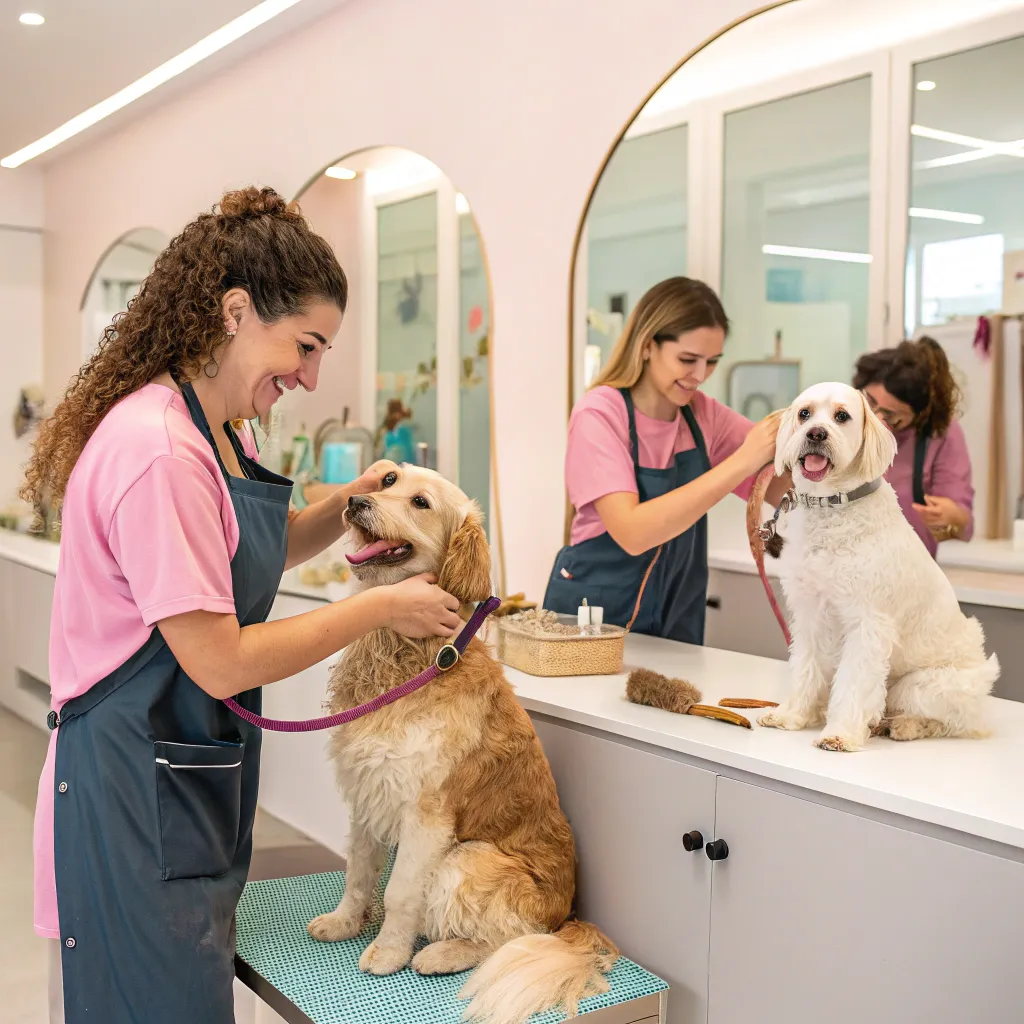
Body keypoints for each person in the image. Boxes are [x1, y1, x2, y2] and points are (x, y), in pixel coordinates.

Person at [22, 187, 463, 1024]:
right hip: (125, 782)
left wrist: (354, 503)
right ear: (234, 312)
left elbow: (253, 551)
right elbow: (220, 659)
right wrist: (380, 609)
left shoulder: (223, 428)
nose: (310, 375)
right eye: (305, 345)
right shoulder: (161, 452)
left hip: (184, 768)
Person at [544, 276, 789, 644]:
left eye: (712, 361)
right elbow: (633, 533)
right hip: (594, 620)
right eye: (687, 359)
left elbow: (786, 491)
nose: (700, 375)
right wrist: (742, 461)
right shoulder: (600, 413)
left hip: (677, 620)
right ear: (647, 346)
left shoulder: (705, 416)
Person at [853, 336, 974, 558]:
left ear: (920, 414)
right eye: (869, 402)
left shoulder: (941, 433)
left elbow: (963, 524)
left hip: (908, 567)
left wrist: (949, 517)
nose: (875, 420)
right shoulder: (841, 422)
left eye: (890, 416)